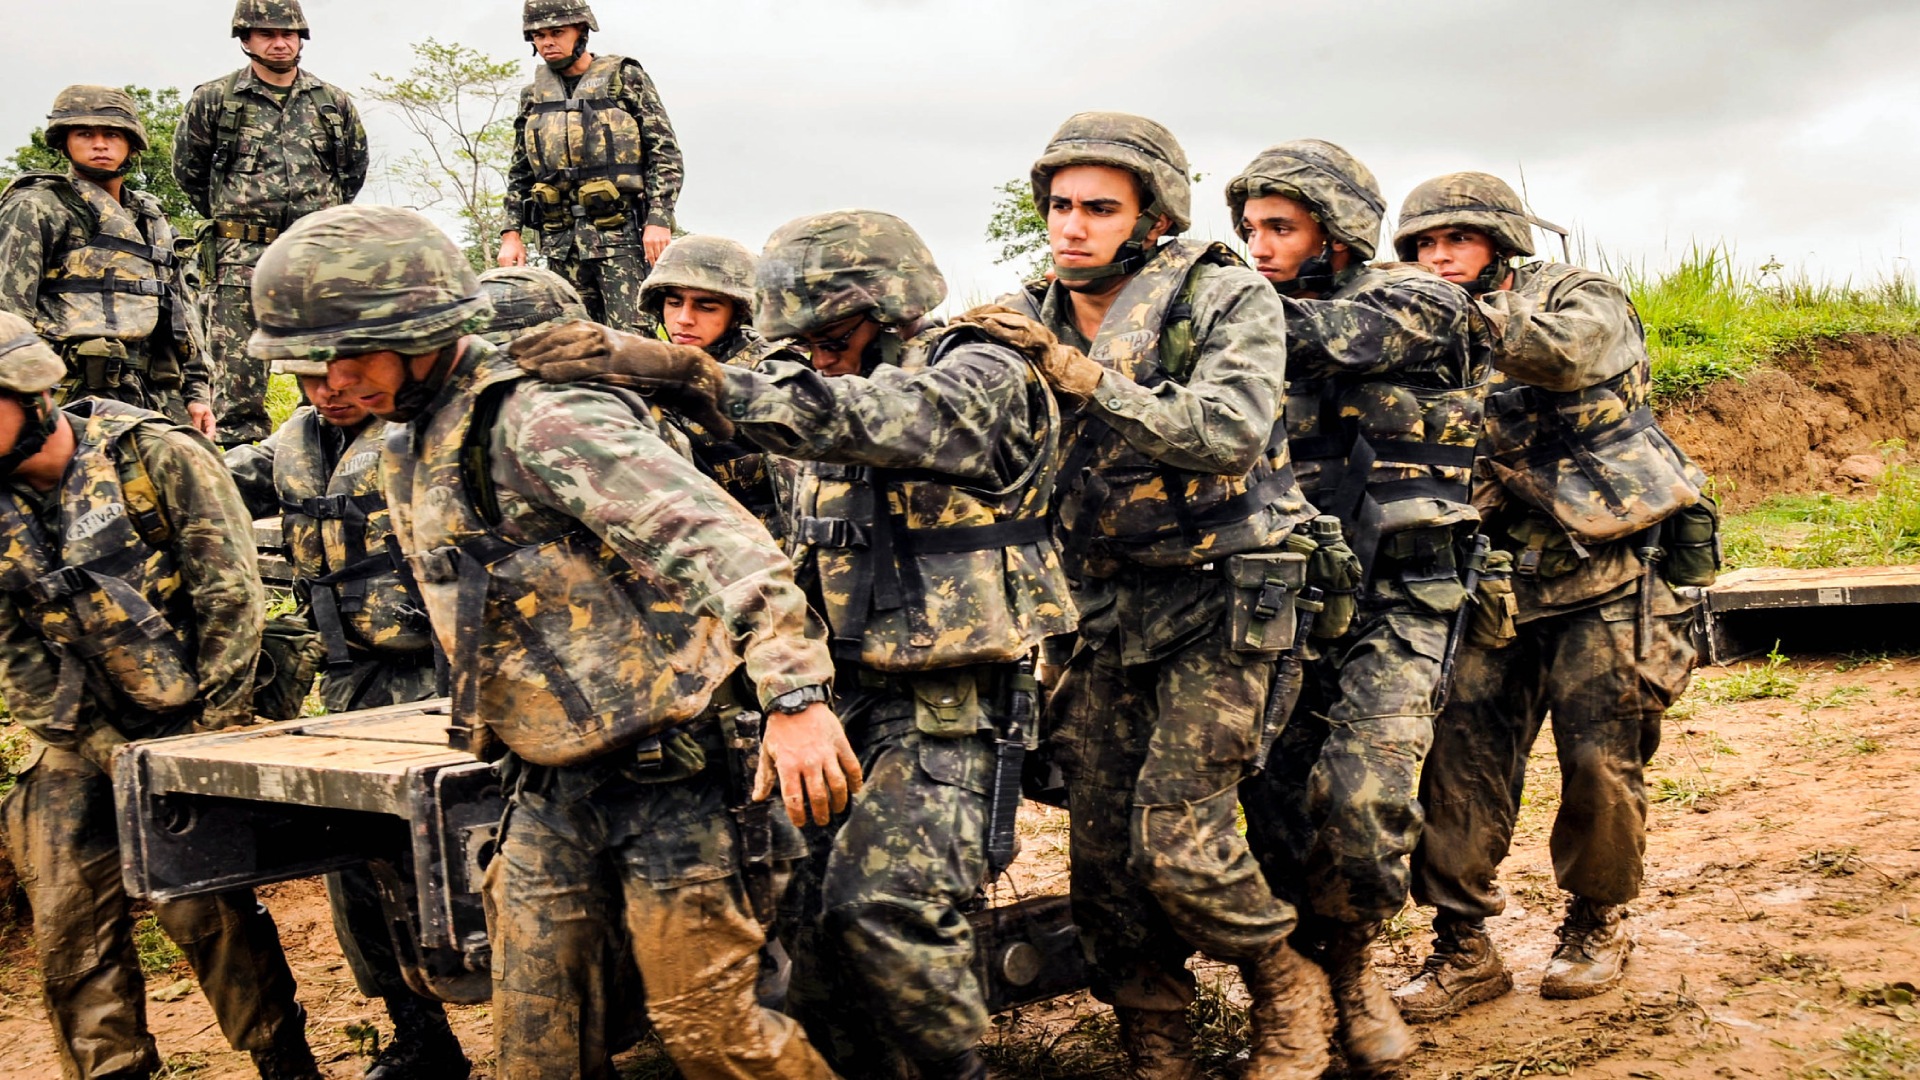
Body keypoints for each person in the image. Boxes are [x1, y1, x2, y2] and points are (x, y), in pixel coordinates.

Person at [247, 203, 856, 1080]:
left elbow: (722, 546)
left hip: (670, 780)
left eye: (348, 356)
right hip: (542, 786)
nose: (327, 384)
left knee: (718, 1038)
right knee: (540, 1047)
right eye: (309, 364)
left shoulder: (539, 418)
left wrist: (795, 697)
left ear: (421, 331)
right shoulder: (407, 436)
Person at [515, 209, 1075, 1079]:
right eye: (799, 339)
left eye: (832, 333)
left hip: (949, 699)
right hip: (829, 699)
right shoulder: (804, 379)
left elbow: (883, 415)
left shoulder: (981, 371)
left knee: (886, 907)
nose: (815, 353)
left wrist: (692, 372)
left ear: (891, 311)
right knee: (806, 929)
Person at [1007, 111, 1332, 1078]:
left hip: (1224, 598)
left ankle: (1286, 984)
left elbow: (1228, 429)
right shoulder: (1029, 308)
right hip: (1101, 612)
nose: (1071, 226)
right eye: (1060, 206)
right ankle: (1156, 1033)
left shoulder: (1226, 297)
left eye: (1098, 208)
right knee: (1104, 858)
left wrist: (1081, 378)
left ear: (1151, 215)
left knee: (1178, 837)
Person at [1392, 172, 1715, 1020]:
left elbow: (1568, 352)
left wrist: (1452, 318)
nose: (1436, 257)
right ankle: (1463, 946)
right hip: (1487, 583)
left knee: (1599, 762)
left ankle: (1595, 923)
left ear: (1500, 240)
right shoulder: (1417, 329)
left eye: (1453, 240)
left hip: (1602, 574)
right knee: (1456, 764)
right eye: (1423, 245)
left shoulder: (1579, 296)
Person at [1225, 140, 1489, 1075]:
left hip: (1405, 595)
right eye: (1248, 229)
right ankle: (1313, 983)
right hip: (1285, 598)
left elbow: (1330, 339)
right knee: (1275, 803)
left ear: (1337, 234)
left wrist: (1206, 312)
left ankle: (1356, 965)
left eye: (1281, 229)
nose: (1258, 247)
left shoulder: (1417, 298)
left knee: (1364, 798)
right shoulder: (1242, 324)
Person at [0, 310, 320, 1079]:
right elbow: (11, 649)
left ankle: (283, 1060)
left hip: (191, 712)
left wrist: (201, 737)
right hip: (80, 731)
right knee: (69, 916)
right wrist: (97, 744)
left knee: (203, 906)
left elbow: (232, 598)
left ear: (32, 394)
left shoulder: (155, 454)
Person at [224, 362, 468, 1080]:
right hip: (351, 679)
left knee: (472, 858)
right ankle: (422, 1038)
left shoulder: (426, 427)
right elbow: (215, 482)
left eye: (337, 374)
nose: (326, 391)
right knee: (360, 868)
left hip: (445, 671)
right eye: (307, 378)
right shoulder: (294, 441)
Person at [175, 0, 369, 447]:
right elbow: (189, 170)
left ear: (302, 38)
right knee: (236, 379)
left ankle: (324, 462)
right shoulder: (215, 100)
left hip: (316, 258)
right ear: (245, 41)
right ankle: (241, 477)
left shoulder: (333, 103)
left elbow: (351, 171)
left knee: (326, 370)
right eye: (266, 34)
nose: (280, 43)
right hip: (239, 256)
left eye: (289, 34)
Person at [0, 86, 214, 434]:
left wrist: (197, 393)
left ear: (131, 143)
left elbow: (181, 314)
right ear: (64, 142)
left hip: (157, 393)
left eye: (112, 134)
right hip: (71, 396)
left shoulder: (150, 216)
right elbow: (9, 313)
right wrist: (25, 399)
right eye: (85, 134)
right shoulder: (37, 207)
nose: (100, 144)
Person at [497, 0, 684, 334]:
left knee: (632, 341)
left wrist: (659, 218)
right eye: (538, 35)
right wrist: (510, 235)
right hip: (560, 242)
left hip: (621, 238)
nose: (547, 42)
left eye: (557, 32)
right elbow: (520, 173)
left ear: (581, 31)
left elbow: (664, 152)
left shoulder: (625, 79)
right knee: (569, 342)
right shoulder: (533, 96)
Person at [636, 234, 798, 534]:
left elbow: (795, 503)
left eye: (706, 307)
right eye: (674, 303)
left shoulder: (769, 373)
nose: (683, 319)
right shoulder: (649, 371)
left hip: (758, 552)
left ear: (738, 312)